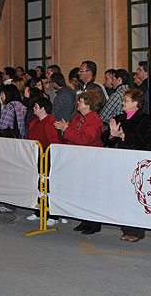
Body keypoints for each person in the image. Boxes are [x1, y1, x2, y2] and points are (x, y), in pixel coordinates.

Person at [54, 90, 104, 234]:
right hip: (78, 159)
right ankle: (84, 220)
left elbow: (86, 139)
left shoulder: (94, 119)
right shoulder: (77, 118)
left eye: (81, 100)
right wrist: (63, 131)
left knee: (90, 192)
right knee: (81, 191)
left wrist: (67, 129)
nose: (78, 103)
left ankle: (94, 223)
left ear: (88, 104)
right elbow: (70, 138)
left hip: (90, 160)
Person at [106, 89, 151, 242]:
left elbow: (145, 140)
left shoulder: (145, 119)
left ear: (135, 103)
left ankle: (137, 231)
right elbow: (107, 139)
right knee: (122, 195)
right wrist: (112, 134)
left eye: (126, 100)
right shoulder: (119, 118)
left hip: (136, 161)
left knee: (135, 195)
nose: (123, 103)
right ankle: (125, 228)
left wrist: (124, 135)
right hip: (120, 160)